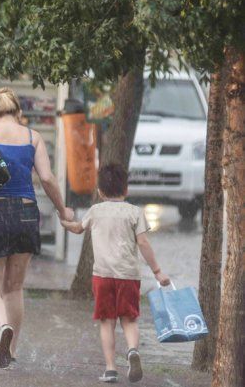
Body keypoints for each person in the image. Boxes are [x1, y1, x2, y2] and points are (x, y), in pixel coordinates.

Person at [0, 87, 74, 368]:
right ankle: (10, 350)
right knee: (13, 287)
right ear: (19, 113)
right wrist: (63, 210)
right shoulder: (32, 137)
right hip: (25, 212)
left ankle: (2, 327)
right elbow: (47, 178)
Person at [60, 164, 171, 384]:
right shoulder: (135, 212)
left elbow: (77, 228)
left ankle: (110, 369)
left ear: (100, 191)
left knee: (106, 321)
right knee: (129, 320)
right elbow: (143, 243)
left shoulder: (95, 211)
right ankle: (132, 351)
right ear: (126, 190)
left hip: (102, 276)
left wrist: (63, 221)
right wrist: (157, 272)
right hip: (129, 275)